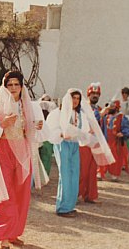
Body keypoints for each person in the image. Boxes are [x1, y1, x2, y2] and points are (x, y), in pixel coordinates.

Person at [0, 71, 42, 249]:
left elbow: (34, 134)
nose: (13, 88)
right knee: (4, 194)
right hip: (3, 151)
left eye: (16, 84)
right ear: (4, 87)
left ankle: (14, 233)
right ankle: (3, 238)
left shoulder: (29, 107)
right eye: (10, 85)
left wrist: (36, 128)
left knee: (22, 194)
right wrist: (1, 124)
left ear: (22, 87)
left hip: (23, 151)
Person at [45, 88, 113, 218]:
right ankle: (62, 207)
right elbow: (50, 131)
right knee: (65, 175)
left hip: (75, 145)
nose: (75, 101)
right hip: (62, 145)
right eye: (73, 98)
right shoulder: (58, 113)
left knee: (75, 174)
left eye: (77, 99)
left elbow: (83, 130)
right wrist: (61, 134)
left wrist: (88, 135)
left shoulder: (80, 114)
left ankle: (70, 206)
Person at [79, 83, 103, 203]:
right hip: (84, 143)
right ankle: (77, 194)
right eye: (92, 93)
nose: (94, 96)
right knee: (82, 170)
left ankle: (89, 195)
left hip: (95, 143)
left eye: (97, 94)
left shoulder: (99, 109)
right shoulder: (83, 108)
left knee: (92, 170)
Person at [99, 98, 129, 181]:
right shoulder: (105, 117)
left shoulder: (122, 118)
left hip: (116, 143)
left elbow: (127, 129)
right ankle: (100, 172)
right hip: (106, 141)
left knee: (116, 159)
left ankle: (114, 174)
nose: (109, 109)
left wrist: (123, 133)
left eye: (111, 107)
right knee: (103, 157)